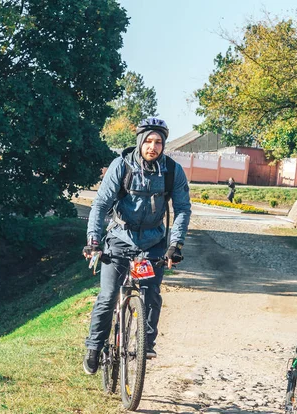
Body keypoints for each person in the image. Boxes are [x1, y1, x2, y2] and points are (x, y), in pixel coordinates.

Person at [82, 117, 192, 375]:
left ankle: (146, 345)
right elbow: (99, 205)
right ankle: (94, 347)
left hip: (153, 244)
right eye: (149, 141)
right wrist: (94, 241)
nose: (153, 147)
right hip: (119, 240)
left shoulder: (172, 171)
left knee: (151, 294)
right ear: (140, 142)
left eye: (159, 142)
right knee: (108, 296)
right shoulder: (121, 166)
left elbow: (183, 209)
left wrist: (175, 244)